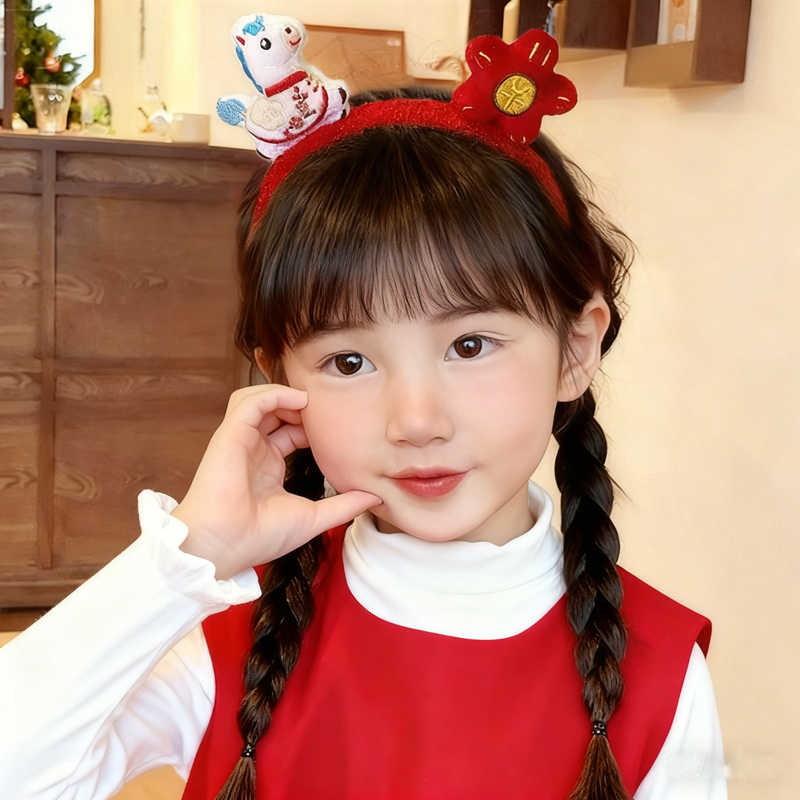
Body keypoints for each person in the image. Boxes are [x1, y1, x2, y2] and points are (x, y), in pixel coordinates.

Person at [0, 16, 727, 800]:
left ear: (576, 349)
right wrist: (192, 552)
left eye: (470, 345)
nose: (415, 421)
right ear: (280, 381)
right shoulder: (226, 623)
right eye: (348, 362)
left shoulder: (658, 669)